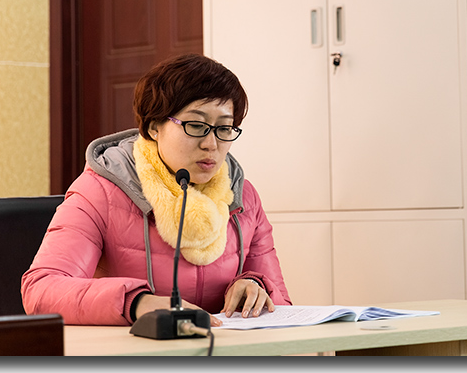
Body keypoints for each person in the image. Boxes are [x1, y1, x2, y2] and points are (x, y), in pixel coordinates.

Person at [21, 53, 291, 326]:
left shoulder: (243, 197)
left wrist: (256, 288)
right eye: (196, 125)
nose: (211, 144)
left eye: (224, 128)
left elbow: (283, 305)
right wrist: (136, 303)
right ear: (153, 127)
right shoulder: (99, 191)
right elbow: (41, 290)